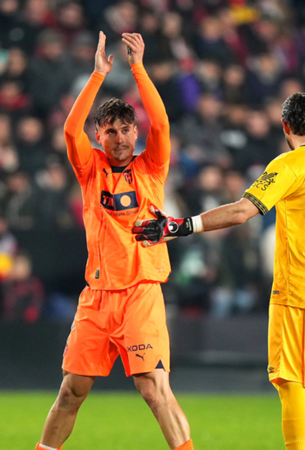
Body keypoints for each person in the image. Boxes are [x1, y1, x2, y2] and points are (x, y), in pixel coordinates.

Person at [134, 92, 305, 450]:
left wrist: (178, 226)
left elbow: (241, 212)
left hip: (298, 287)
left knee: (289, 380)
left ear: (285, 127)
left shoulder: (291, 164)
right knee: (299, 380)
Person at [35, 32, 193, 450]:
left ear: (135, 134)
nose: (120, 137)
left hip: (141, 292)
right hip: (98, 297)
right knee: (71, 391)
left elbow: (161, 123)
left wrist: (138, 68)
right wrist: (97, 76)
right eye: (110, 131)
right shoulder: (90, 171)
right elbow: (71, 130)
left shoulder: (152, 167)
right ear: (99, 137)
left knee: (154, 389)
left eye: (126, 129)